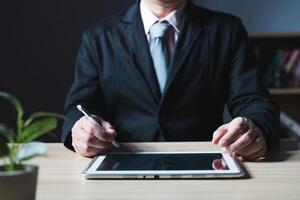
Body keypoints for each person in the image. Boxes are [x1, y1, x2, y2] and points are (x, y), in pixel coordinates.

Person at [62, 0, 279, 160]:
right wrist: (79, 128)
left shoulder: (227, 31)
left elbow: (254, 101)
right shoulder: (99, 37)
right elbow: (79, 106)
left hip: (204, 163)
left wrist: (255, 128)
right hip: (123, 163)